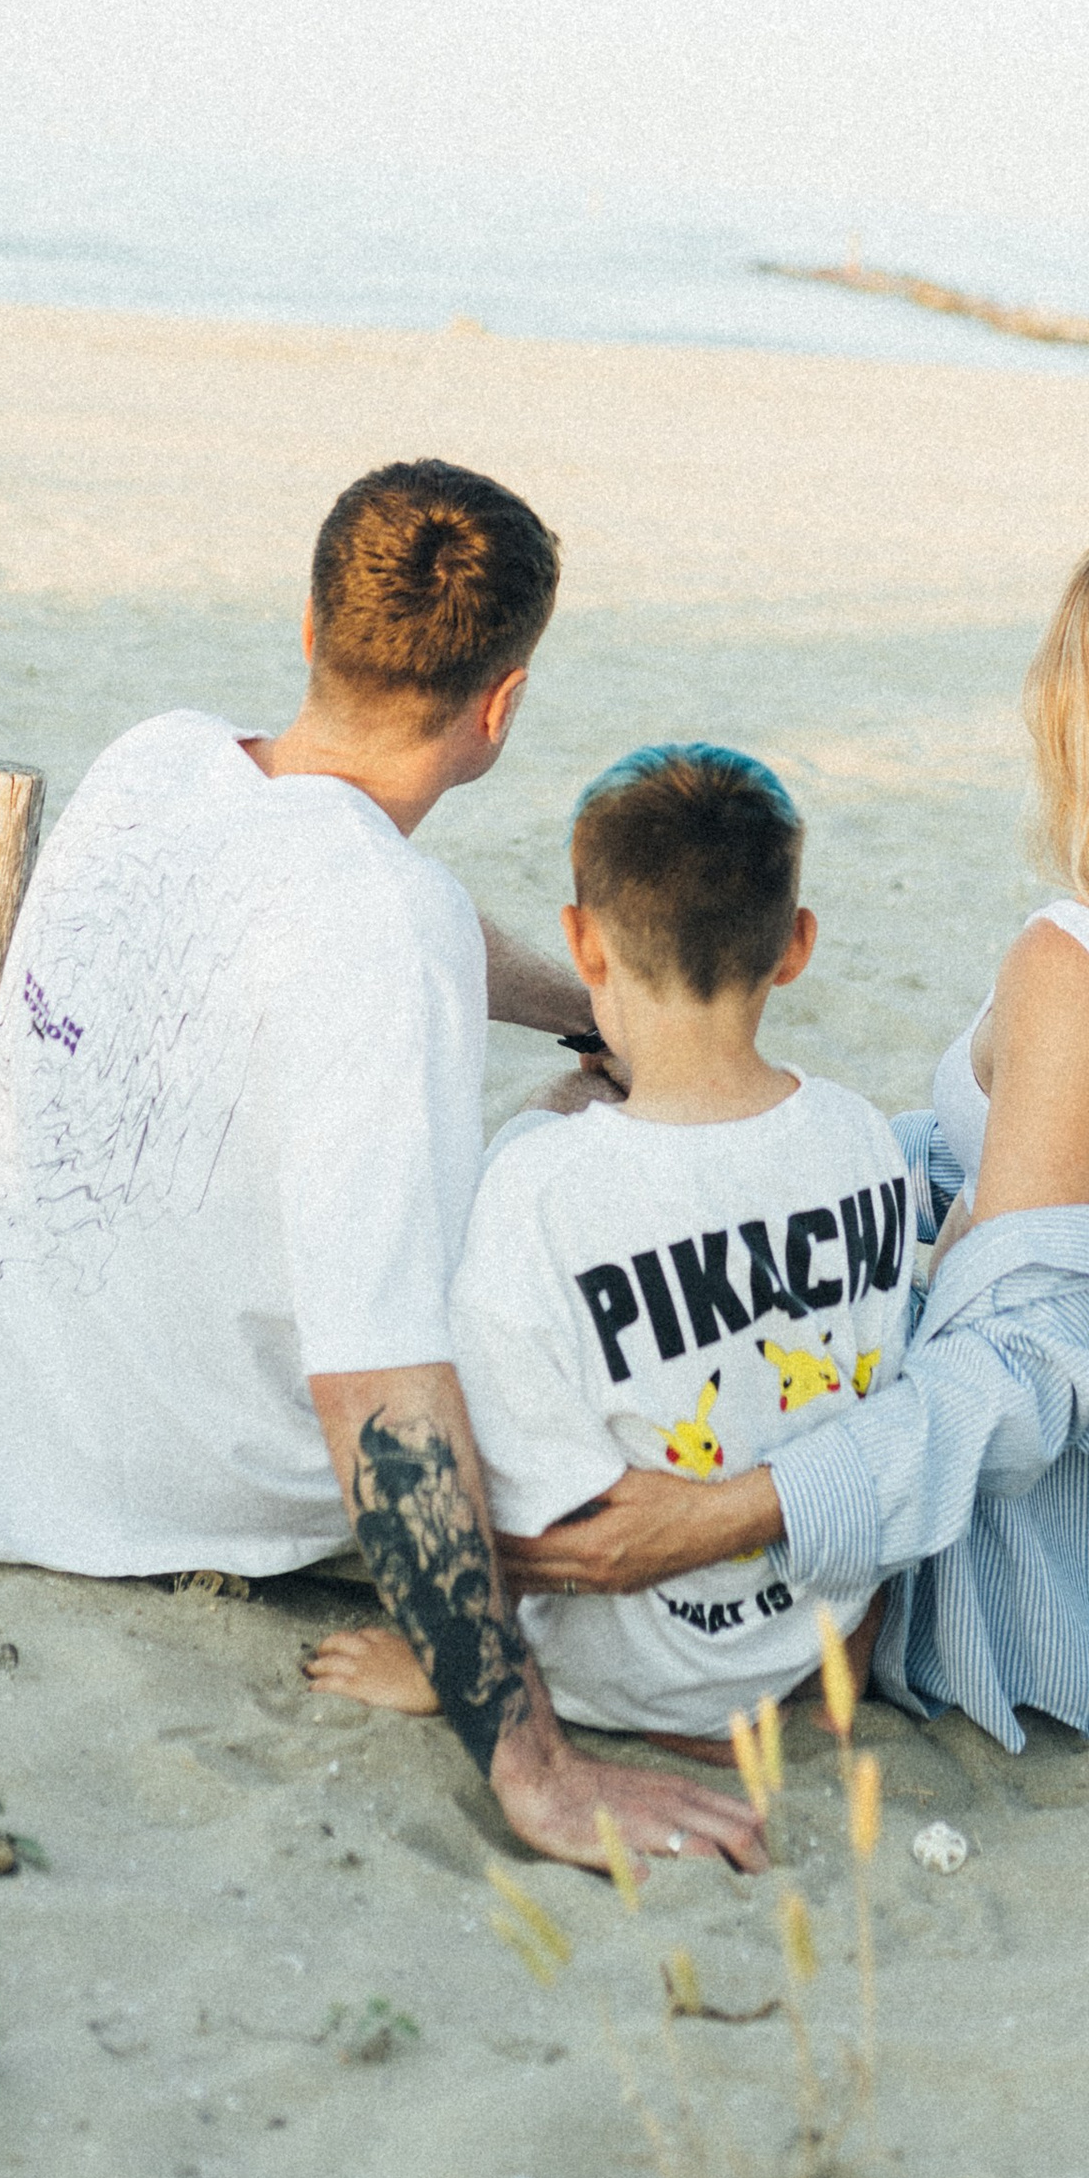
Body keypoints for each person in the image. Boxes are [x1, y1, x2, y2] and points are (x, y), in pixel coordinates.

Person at [0, 458, 762, 1874]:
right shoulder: (385, 935)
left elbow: (394, 919)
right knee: (618, 1213)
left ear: (313, 628)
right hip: (205, 1493)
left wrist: (596, 1014)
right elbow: (380, 1393)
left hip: (49, 1426)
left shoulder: (162, 758)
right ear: (500, 707)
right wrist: (540, 1775)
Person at [502, 530, 1089, 1747]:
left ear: (1077, 710)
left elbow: (1016, 1380)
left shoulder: (1083, 968)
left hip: (1052, 1582)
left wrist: (725, 1516)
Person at [305, 743, 909, 1742]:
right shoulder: (860, 1136)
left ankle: (443, 1655)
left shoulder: (538, 1180)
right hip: (811, 1643)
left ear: (583, 948)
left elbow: (514, 1485)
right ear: (794, 945)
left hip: (627, 1678)